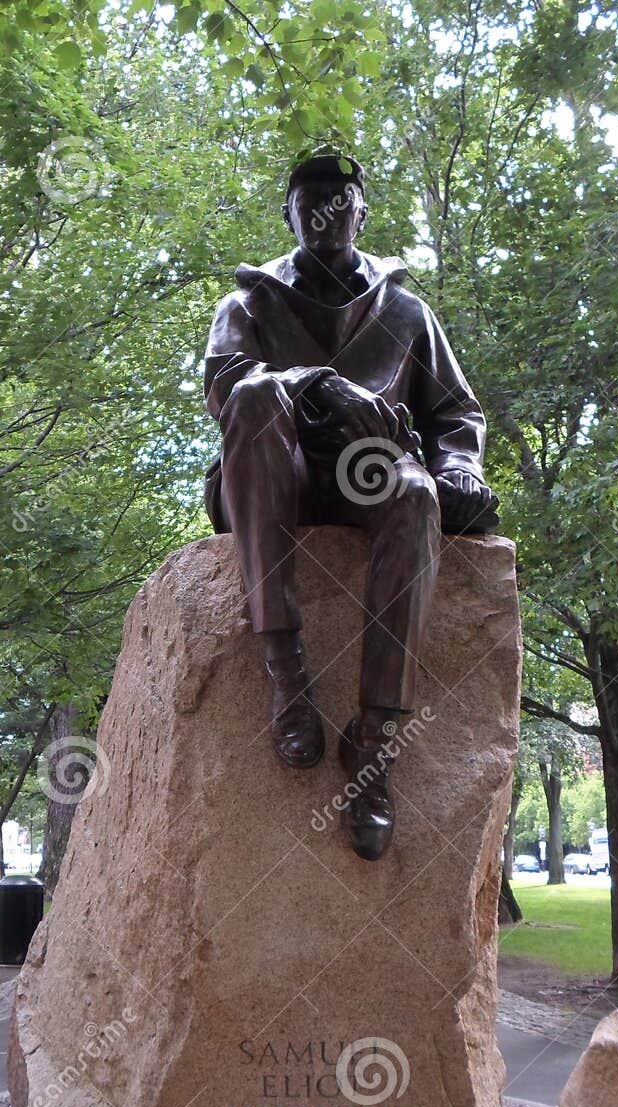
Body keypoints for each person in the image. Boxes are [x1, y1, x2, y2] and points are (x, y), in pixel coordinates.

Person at [203, 154, 497, 860]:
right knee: (253, 395)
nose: (326, 210)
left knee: (416, 491)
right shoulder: (247, 305)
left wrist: (457, 469)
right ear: (288, 213)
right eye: (310, 199)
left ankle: (373, 743)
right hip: (273, 470)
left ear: (363, 213)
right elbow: (227, 387)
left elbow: (456, 415)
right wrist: (322, 385)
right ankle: (286, 672)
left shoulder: (405, 312)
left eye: (341, 199)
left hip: (366, 473)